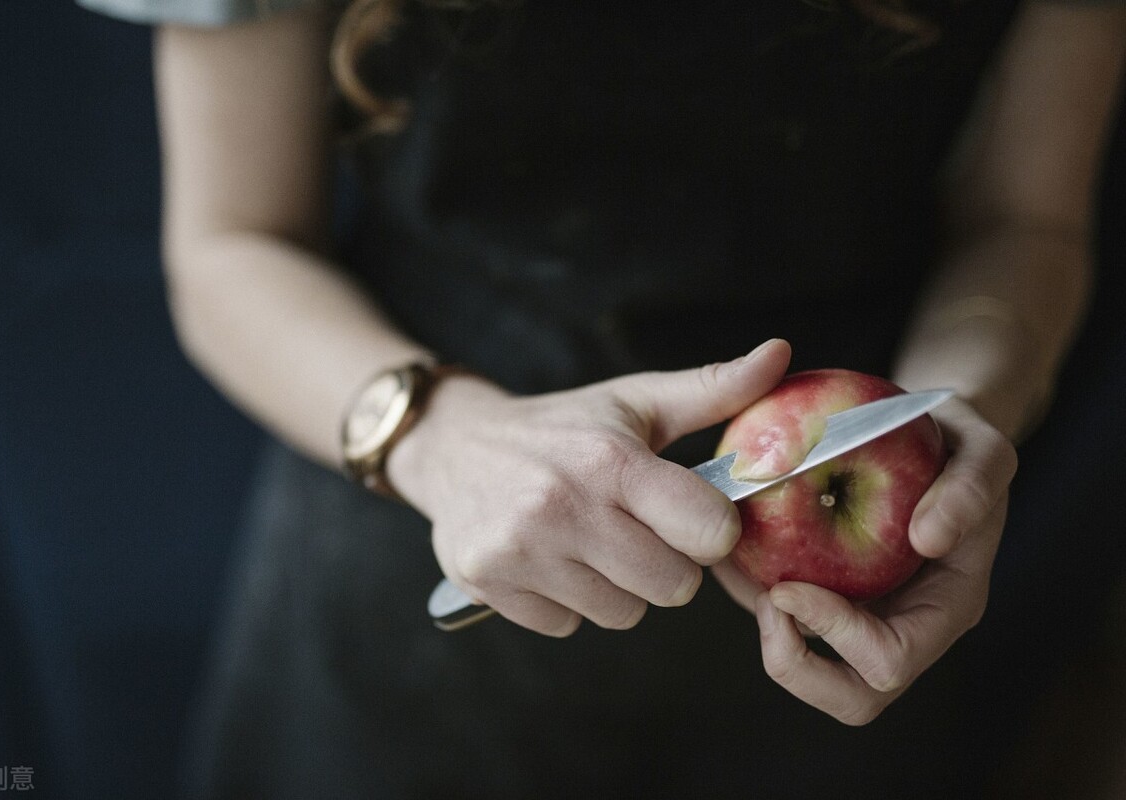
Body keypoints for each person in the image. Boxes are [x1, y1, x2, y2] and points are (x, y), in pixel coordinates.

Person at [77, 0, 1126, 796]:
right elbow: (230, 247)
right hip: (410, 550)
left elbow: (1022, 218)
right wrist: (443, 438)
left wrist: (956, 415)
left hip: (862, 625)